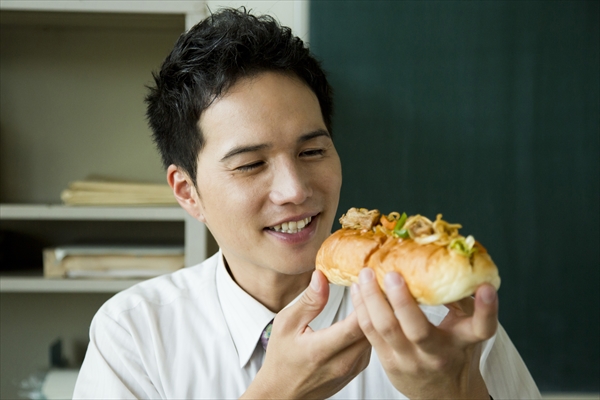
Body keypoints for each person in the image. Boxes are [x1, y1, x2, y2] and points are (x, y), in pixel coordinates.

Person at [73, 8, 541, 399]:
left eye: (312, 151)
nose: (295, 189)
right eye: (251, 164)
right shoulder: (135, 333)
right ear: (187, 192)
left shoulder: (441, 323)